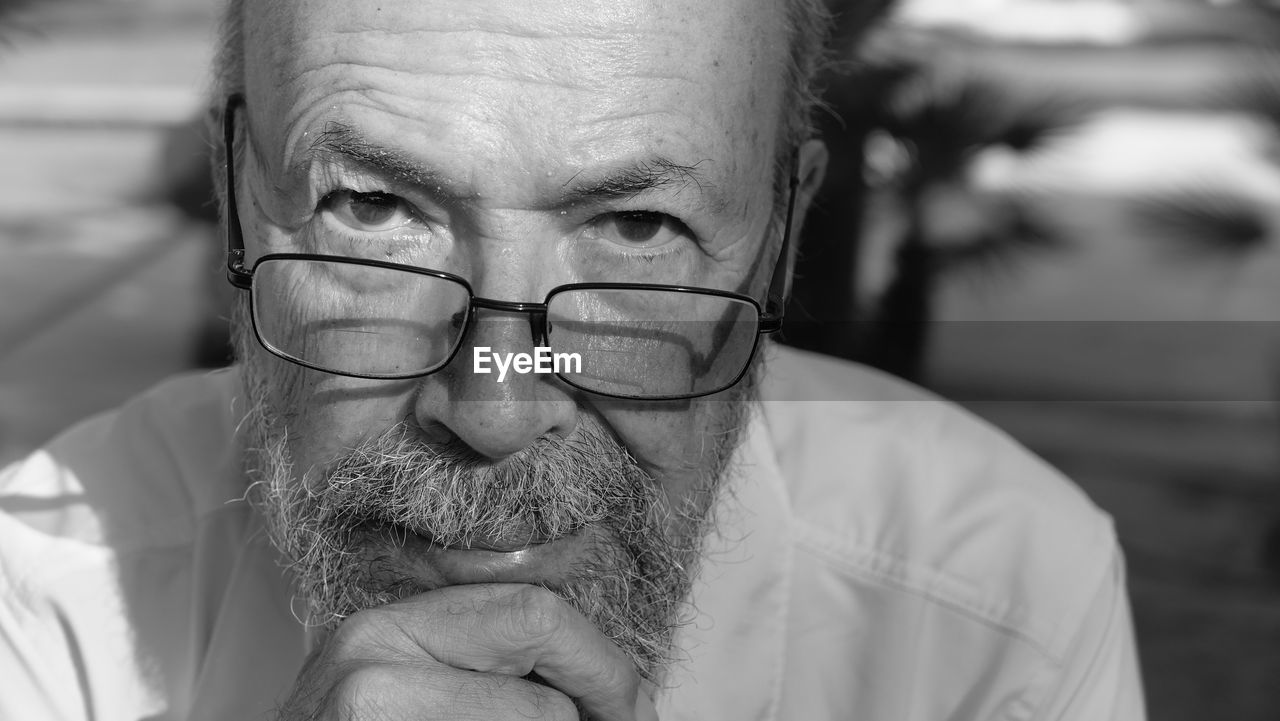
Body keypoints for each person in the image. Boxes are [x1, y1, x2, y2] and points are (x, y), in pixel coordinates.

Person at [0, 0, 1146, 718]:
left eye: (638, 231)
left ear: (782, 238)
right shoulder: (47, 602)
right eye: (372, 207)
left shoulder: (996, 603)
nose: (494, 408)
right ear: (236, 196)